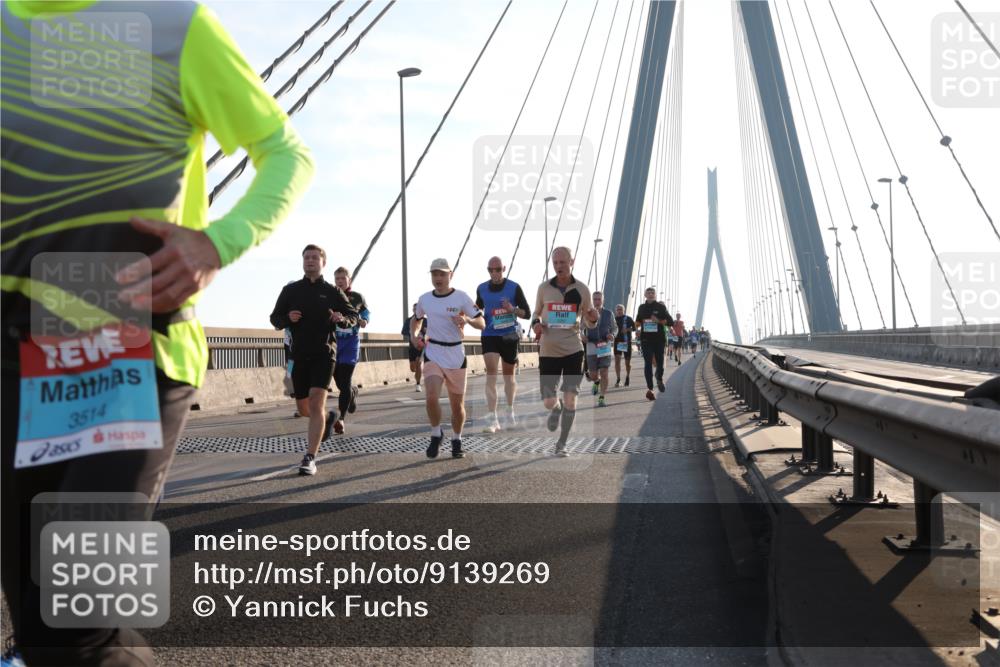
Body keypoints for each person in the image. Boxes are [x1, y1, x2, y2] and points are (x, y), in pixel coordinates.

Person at [1, 1, 314, 663]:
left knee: (74, 622)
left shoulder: (172, 22)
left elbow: (285, 152)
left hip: (134, 353)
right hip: (16, 356)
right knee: (39, 626)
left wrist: (216, 242)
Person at [270, 246, 359, 475]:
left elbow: (352, 316)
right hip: (298, 356)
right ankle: (330, 417)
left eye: (314, 258)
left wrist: (341, 319)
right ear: (302, 262)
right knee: (304, 408)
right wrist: (286, 318)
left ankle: (310, 457)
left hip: (324, 354)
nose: (310, 261)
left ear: (323, 263)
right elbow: (274, 318)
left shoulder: (332, 292)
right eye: (306, 257)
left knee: (316, 402)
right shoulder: (291, 290)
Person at [412, 258, 485, 459]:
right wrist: (414, 335)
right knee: (431, 396)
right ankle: (436, 434)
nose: (438, 278)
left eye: (442, 274)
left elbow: (482, 322)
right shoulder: (425, 299)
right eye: (435, 274)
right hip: (433, 352)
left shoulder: (461, 297)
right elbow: (416, 320)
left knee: (457, 406)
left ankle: (456, 439)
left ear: (450, 275)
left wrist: (467, 320)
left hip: (455, 355)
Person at [531, 247, 600, 456]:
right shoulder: (544, 288)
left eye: (563, 262)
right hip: (549, 350)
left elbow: (590, 321)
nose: (559, 266)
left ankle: (562, 443)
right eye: (555, 263)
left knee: (571, 398)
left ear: (572, 262)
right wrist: (536, 324)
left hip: (573, 349)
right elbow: (535, 312)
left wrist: (593, 317)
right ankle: (555, 408)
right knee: (548, 400)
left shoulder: (582, 289)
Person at [475, 257, 531, 433]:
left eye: (498, 269)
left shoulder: (514, 287)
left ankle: (509, 409)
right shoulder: (481, 288)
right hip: (490, 334)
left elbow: (527, 314)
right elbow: (476, 310)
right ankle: (492, 418)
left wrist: (512, 309)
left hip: (509, 336)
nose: (494, 273)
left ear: (503, 269)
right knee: (491, 374)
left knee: (509, 377)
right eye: (491, 270)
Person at [331, 267, 370, 435]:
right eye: (337, 278)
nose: (340, 281)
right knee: (340, 383)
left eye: (342, 278)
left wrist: (364, 321)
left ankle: (341, 419)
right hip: (334, 343)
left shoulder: (357, 297)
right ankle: (353, 392)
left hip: (351, 343)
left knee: (345, 380)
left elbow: (366, 312)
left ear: (349, 280)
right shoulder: (330, 295)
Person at [634, 288, 673, 400]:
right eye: (648, 293)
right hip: (646, 340)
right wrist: (636, 328)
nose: (650, 294)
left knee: (660, 363)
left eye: (652, 293)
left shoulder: (660, 307)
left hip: (659, 340)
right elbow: (638, 321)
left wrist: (659, 321)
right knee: (648, 363)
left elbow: (670, 322)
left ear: (655, 295)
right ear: (645, 295)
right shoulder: (641, 307)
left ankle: (659, 378)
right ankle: (650, 388)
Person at [582, 291, 618, 407]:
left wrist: (612, 335)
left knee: (604, 372)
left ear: (603, 300)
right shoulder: (586, 313)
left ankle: (602, 397)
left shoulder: (609, 313)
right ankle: (596, 382)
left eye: (599, 299)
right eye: (595, 299)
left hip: (604, 345)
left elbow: (615, 328)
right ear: (592, 300)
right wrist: (582, 335)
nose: (597, 301)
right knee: (593, 375)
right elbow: (580, 328)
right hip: (591, 345)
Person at [402, 303, 426, 391]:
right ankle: (418, 374)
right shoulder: (409, 320)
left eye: (418, 309)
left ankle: (418, 384)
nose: (416, 310)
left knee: (419, 363)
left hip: (423, 347)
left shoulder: (426, 321)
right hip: (412, 346)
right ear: (413, 310)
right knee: (413, 368)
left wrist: (424, 334)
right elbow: (403, 332)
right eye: (415, 309)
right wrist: (412, 333)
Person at [613, 303, 635, 388]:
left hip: (626, 342)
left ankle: (627, 376)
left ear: (624, 310)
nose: (619, 311)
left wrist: (627, 329)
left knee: (627, 363)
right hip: (617, 342)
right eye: (617, 309)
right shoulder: (614, 319)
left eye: (620, 309)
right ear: (615, 311)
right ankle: (618, 379)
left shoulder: (628, 319)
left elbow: (634, 328)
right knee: (617, 361)